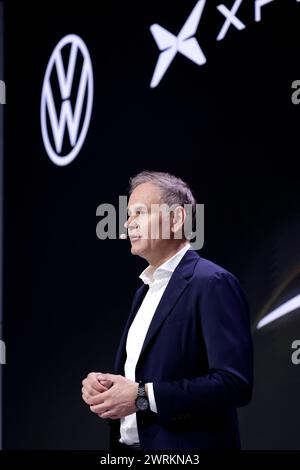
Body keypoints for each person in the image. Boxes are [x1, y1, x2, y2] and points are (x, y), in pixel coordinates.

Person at [82, 171, 253, 451]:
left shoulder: (212, 283)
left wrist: (141, 396)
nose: (127, 225)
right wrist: (107, 388)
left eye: (139, 213)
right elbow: (146, 379)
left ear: (176, 219)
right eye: (128, 215)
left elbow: (233, 384)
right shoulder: (145, 290)